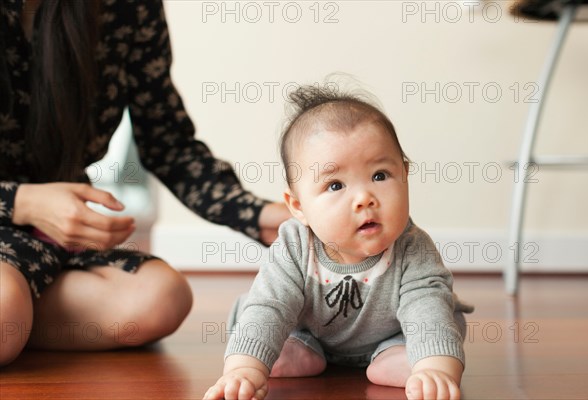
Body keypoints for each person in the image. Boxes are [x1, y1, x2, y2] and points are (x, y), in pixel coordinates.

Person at [0, 0, 289, 367]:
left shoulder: (127, 7)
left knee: (162, 296)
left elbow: (168, 141)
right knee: (4, 302)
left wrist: (257, 214)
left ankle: (13, 320)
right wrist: (23, 202)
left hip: (48, 241)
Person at [203, 85, 474, 400]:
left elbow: (425, 307)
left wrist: (435, 369)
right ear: (299, 207)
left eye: (380, 176)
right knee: (257, 315)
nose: (364, 199)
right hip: (307, 331)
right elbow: (271, 306)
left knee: (442, 314)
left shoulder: (412, 247)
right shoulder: (294, 246)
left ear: (405, 175)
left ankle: (399, 356)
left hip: (390, 335)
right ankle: (295, 350)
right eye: (335, 185)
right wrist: (243, 370)